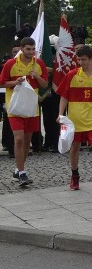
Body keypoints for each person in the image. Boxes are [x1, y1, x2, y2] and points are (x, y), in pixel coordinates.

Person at [56, 45, 92, 196]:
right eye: (78, 59)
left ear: (91, 59)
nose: (80, 62)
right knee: (75, 147)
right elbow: (64, 96)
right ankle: (75, 175)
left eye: (83, 59)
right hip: (75, 120)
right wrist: (60, 114)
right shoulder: (72, 75)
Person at [0, 36, 49, 186]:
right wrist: (15, 82)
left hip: (31, 108)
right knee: (19, 138)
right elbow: (2, 82)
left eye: (33, 49)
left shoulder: (39, 63)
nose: (31, 52)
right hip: (15, 106)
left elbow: (45, 84)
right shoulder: (11, 63)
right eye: (28, 49)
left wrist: (37, 76)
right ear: (21, 49)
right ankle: (22, 173)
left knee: (27, 140)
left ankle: (18, 169)